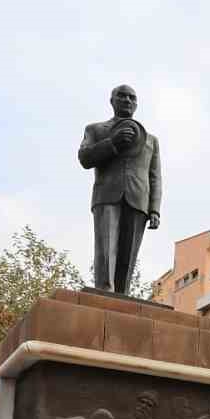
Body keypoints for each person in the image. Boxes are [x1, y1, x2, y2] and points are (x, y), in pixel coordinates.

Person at [79, 84, 162, 293]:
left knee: (129, 253)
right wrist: (112, 143)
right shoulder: (95, 129)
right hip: (107, 195)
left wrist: (155, 209)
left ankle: (122, 295)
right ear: (112, 100)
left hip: (138, 199)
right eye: (122, 96)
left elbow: (155, 177)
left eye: (132, 97)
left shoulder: (151, 140)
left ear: (136, 103)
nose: (127, 100)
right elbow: (85, 158)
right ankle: (104, 290)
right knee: (106, 249)